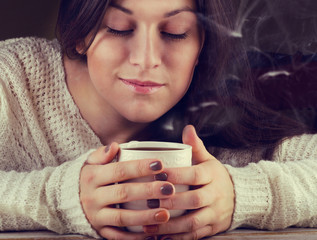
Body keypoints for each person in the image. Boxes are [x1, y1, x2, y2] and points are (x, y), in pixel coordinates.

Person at [0, 0, 316, 239]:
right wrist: (57, 198)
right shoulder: (12, 78)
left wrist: (240, 194)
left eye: (174, 33)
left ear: (200, 46)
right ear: (81, 32)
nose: (146, 59)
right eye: (119, 27)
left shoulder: (221, 116)